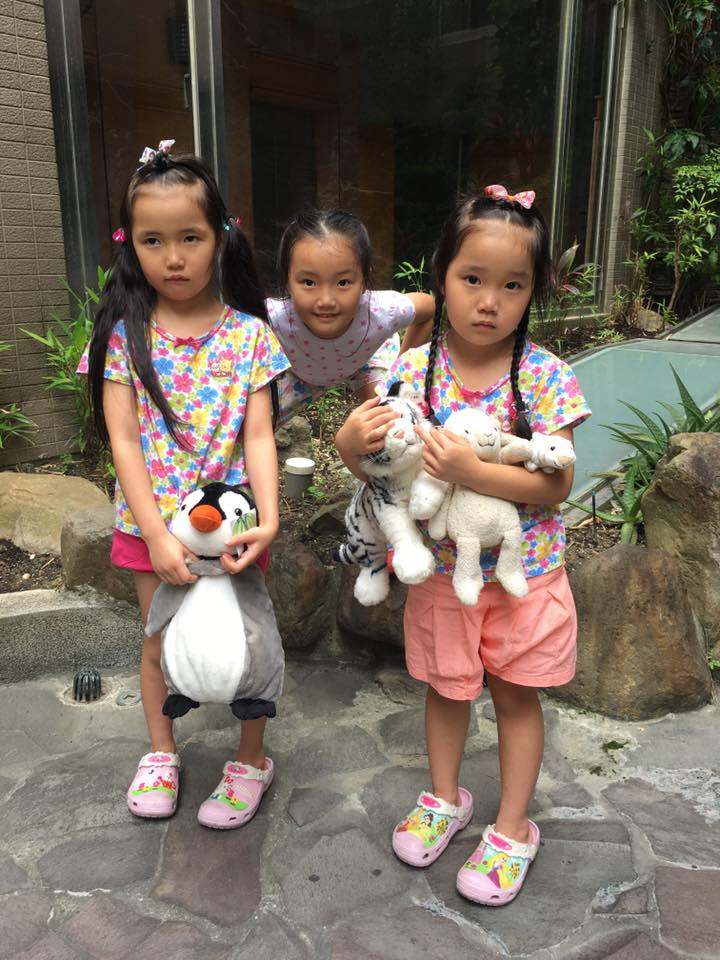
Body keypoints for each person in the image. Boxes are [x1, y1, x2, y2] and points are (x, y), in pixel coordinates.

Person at [335, 185, 591, 905]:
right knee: (447, 689)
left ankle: (513, 828)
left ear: (533, 291)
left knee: (514, 695)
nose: (488, 301)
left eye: (512, 285)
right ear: (441, 276)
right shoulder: (413, 367)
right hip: (444, 574)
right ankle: (445, 797)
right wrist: (350, 446)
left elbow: (557, 484)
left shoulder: (543, 375)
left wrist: (474, 472)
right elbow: (382, 465)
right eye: (472, 278)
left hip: (520, 573)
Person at [81, 140, 289, 829]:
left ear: (221, 237)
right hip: (153, 529)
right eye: (154, 240)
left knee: (248, 641)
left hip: (234, 529)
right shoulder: (124, 336)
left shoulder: (250, 336)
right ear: (129, 245)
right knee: (158, 641)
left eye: (190, 237)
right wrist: (154, 533)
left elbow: (259, 437)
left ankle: (251, 759)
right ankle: (161, 752)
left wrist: (269, 519)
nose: (173, 257)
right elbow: (124, 441)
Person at [266, 209, 435, 423]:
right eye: (309, 282)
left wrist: (400, 367)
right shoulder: (270, 319)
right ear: (286, 280)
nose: (326, 300)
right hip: (297, 374)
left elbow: (430, 308)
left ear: (365, 280)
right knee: (246, 429)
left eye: (343, 282)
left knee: (393, 421)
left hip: (365, 363)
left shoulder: (382, 311)